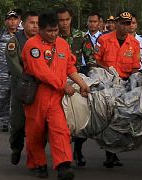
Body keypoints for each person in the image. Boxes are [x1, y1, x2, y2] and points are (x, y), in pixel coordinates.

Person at [21, 12, 89, 179]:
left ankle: (63, 165)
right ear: (41, 30)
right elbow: (41, 72)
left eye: (56, 30)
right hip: (37, 95)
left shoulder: (62, 44)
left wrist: (82, 84)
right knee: (35, 132)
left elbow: (69, 67)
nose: (53, 34)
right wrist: (63, 85)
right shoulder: (32, 46)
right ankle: (39, 163)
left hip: (56, 97)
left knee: (61, 130)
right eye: (49, 31)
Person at [95, 11, 140, 168]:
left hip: (124, 85)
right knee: (106, 118)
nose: (125, 26)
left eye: (128, 23)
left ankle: (112, 152)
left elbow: (135, 67)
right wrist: (108, 73)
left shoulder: (134, 44)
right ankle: (108, 153)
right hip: (105, 85)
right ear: (116, 24)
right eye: (122, 23)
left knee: (119, 119)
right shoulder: (103, 40)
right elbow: (96, 60)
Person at [56, 7, 95, 167]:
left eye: (67, 20)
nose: (64, 23)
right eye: (61, 20)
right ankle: (61, 154)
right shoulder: (52, 36)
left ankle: (78, 150)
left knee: (81, 116)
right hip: (57, 81)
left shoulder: (81, 36)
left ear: (71, 19)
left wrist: (89, 79)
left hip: (77, 79)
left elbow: (91, 59)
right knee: (59, 120)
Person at [5, 11, 39, 165]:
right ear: (23, 24)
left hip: (40, 88)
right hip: (21, 87)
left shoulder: (43, 41)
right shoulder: (15, 41)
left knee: (38, 125)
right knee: (18, 123)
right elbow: (13, 65)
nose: (35, 26)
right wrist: (30, 77)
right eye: (32, 23)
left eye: (38, 23)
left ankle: (35, 156)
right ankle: (16, 147)